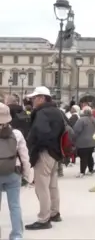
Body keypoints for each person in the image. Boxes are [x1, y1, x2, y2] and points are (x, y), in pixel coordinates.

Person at [24, 86, 65, 230]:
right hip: (55, 152)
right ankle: (54, 212)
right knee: (52, 185)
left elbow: (40, 133)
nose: (32, 101)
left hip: (44, 152)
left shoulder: (42, 113)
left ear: (41, 98)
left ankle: (43, 218)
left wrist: (35, 149)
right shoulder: (57, 111)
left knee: (42, 187)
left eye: (34, 98)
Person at [0, 102, 32, 240]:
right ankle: (17, 235)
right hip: (13, 172)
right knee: (15, 206)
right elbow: (25, 157)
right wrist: (27, 175)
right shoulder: (17, 134)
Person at [72, 106, 95, 178]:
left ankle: (82, 172)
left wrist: (73, 139)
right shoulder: (94, 120)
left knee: (83, 157)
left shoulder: (81, 120)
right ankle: (90, 170)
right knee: (90, 156)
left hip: (83, 142)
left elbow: (76, 131)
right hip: (93, 142)